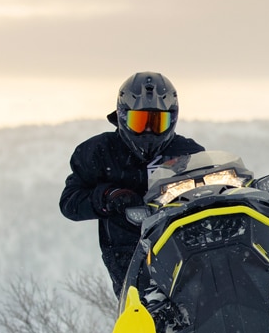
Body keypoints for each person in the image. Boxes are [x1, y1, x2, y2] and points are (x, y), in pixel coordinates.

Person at [59, 72, 205, 296]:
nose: (148, 131)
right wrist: (109, 196)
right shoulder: (99, 152)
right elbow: (70, 203)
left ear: (172, 119)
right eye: (140, 122)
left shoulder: (187, 152)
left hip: (186, 248)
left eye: (157, 123)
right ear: (122, 116)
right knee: (146, 314)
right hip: (129, 255)